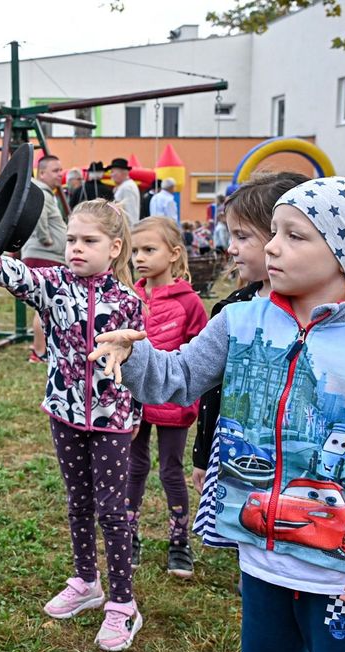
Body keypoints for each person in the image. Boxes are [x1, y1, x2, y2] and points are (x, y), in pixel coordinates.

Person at [90, 177, 345, 652]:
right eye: (273, 232)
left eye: (295, 236)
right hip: (260, 563)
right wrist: (135, 357)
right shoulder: (240, 322)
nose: (272, 246)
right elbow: (181, 376)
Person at [0, 199, 146, 652]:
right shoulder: (51, 285)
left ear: (114, 247)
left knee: (112, 511)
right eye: (71, 239)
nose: (75, 248)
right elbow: (10, 273)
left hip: (112, 420)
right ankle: (87, 581)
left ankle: (123, 604)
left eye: (88, 241)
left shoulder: (130, 301)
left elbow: (142, 364)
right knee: (78, 501)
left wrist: (135, 416)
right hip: (65, 413)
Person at [189, 172, 308, 555]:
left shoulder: (321, 317)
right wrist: (203, 454)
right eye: (231, 237)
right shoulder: (233, 311)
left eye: (242, 237)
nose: (232, 249)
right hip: (241, 460)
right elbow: (212, 391)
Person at [126, 216, 207, 578]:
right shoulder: (129, 297)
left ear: (174, 254)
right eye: (134, 251)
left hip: (174, 404)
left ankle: (179, 542)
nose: (139, 257)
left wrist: (189, 398)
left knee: (171, 471)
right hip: (132, 402)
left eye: (149, 249)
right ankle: (129, 536)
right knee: (133, 467)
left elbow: (201, 359)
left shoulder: (191, 304)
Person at [21, 155, 67, 362]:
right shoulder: (41, 192)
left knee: (47, 305)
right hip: (44, 254)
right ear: (42, 173)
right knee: (46, 306)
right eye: (56, 170)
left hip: (45, 254)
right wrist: (46, 238)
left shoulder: (44, 192)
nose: (60, 174)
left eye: (61, 169)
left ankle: (42, 350)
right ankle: (39, 352)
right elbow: (39, 216)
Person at [109, 158, 140, 228]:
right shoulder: (123, 186)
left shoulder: (127, 187)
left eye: (113, 172)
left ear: (123, 173)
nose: (111, 175)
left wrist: (130, 231)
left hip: (127, 229)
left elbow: (131, 212)